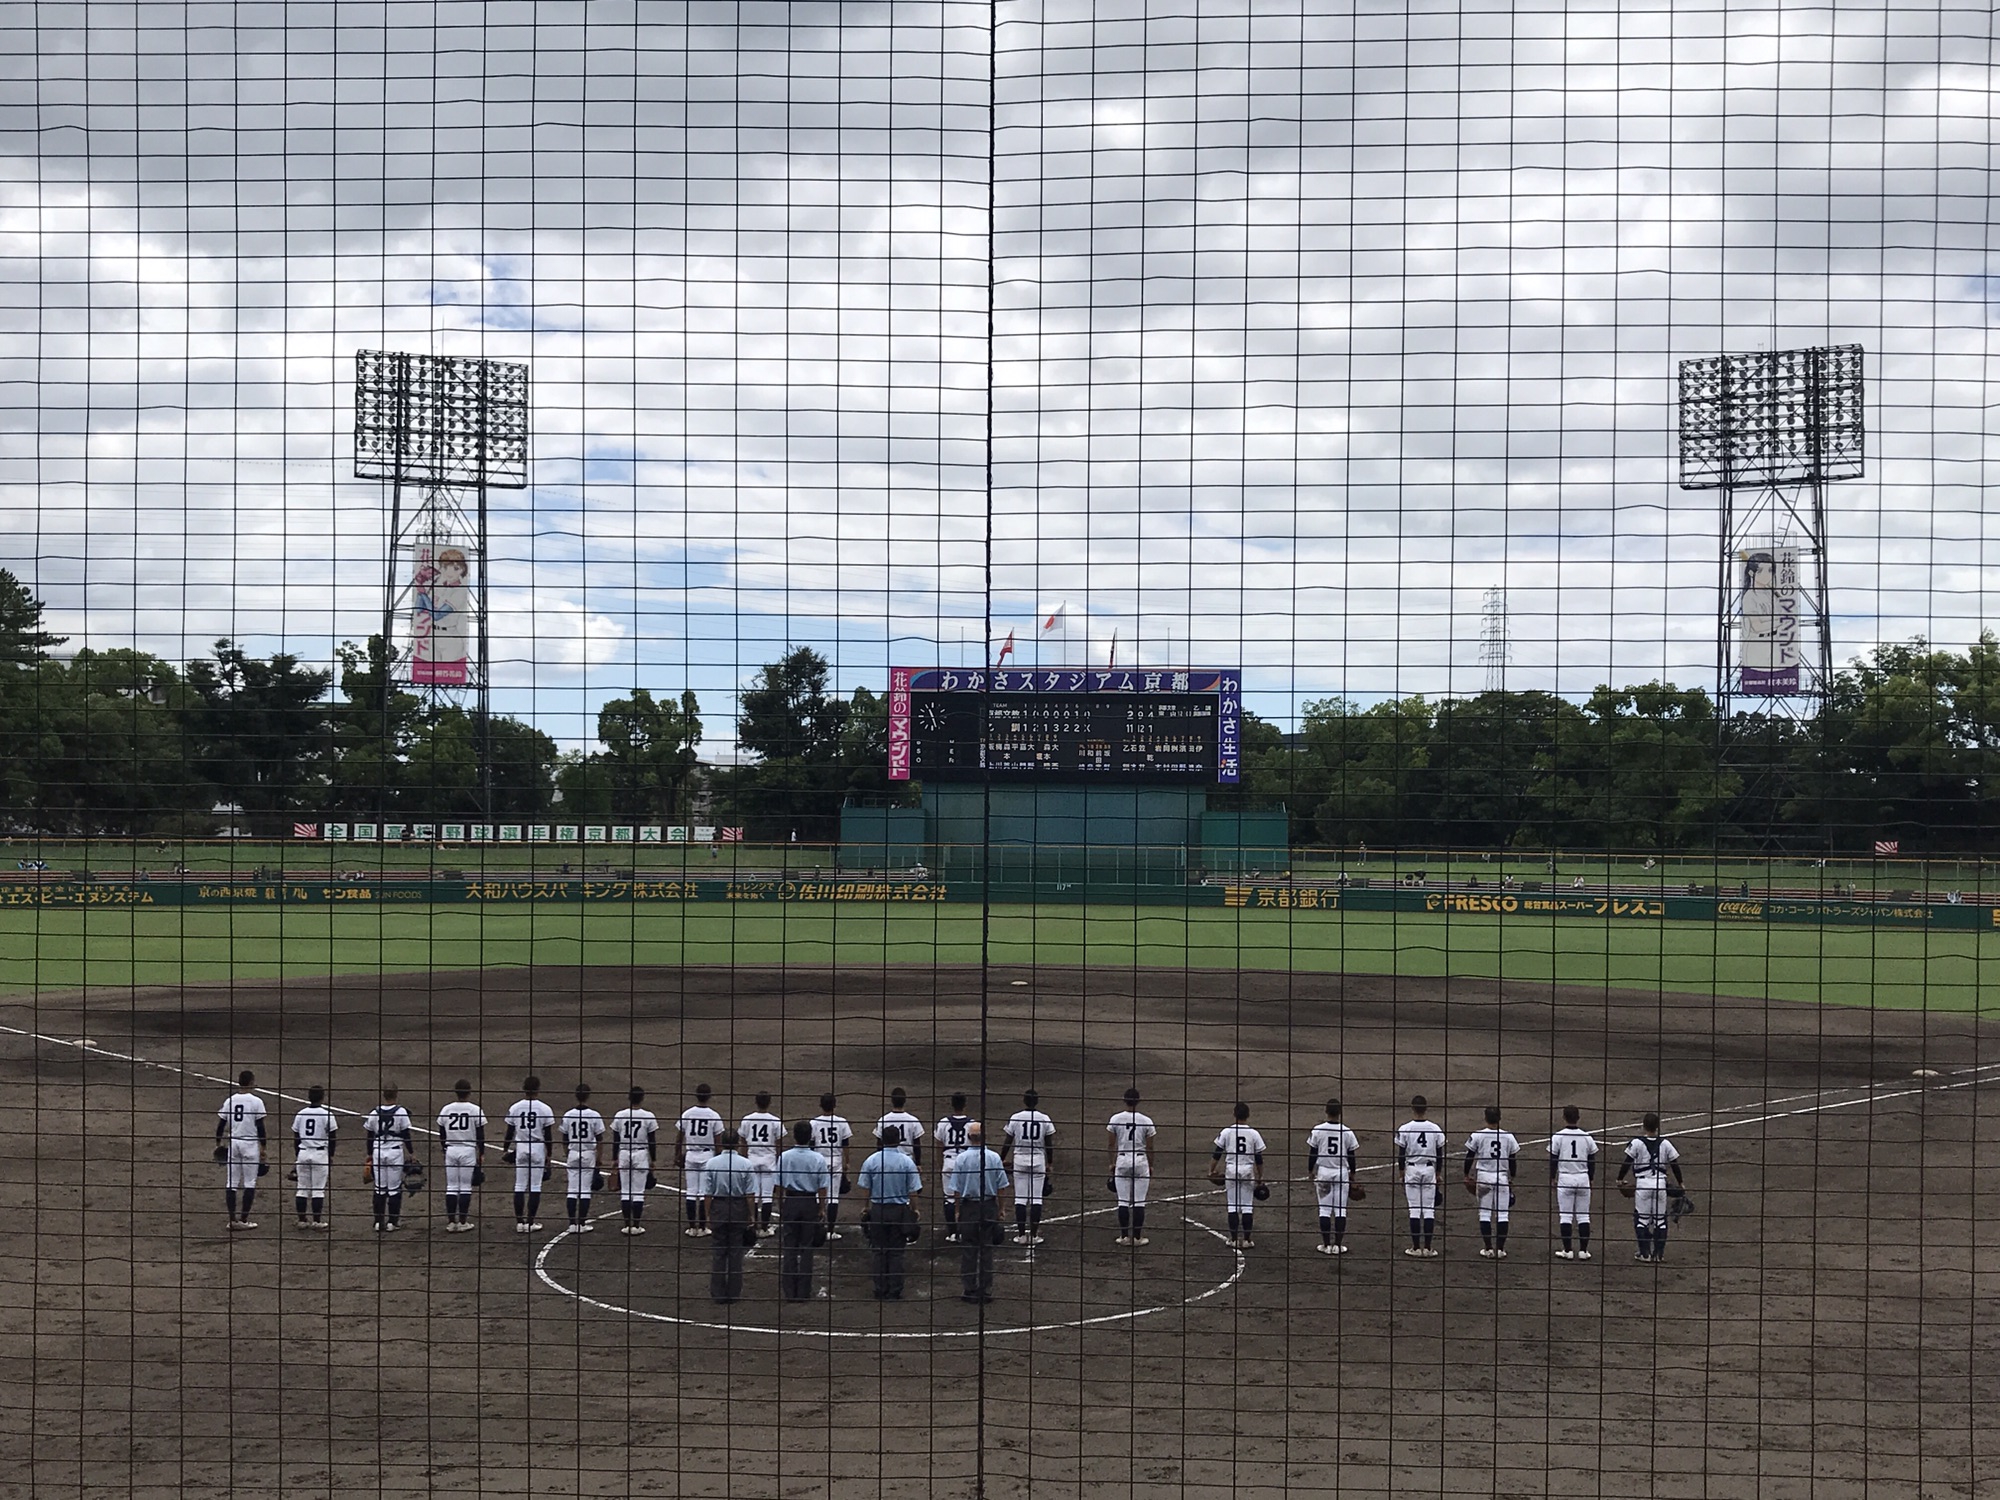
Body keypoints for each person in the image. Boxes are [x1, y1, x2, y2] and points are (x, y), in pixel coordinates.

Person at [855, 1125, 923, 1300]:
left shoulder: (871, 1160)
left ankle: (880, 1289)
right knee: (896, 1252)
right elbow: (913, 1191)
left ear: (882, 1140)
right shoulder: (907, 1162)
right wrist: (914, 1210)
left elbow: (865, 1188)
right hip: (899, 1211)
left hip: (878, 1210)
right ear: (899, 1140)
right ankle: (894, 1290)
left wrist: (865, 1207)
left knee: (878, 1251)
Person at [945, 1122, 1009, 1303]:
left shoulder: (961, 1159)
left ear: (968, 1138)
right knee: (986, 1249)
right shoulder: (994, 1157)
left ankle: (969, 1289)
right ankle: (986, 1290)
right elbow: (1001, 1186)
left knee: (968, 1250)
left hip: (969, 1207)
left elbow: (956, 1189)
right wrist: (1001, 1208)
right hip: (988, 1206)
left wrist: (957, 1210)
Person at [1618, 1112, 1686, 1263]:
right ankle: (1659, 1255)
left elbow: (1627, 1162)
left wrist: (1620, 1178)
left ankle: (1645, 1254)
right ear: (1657, 1127)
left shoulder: (1636, 1142)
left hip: (1643, 1185)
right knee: (1660, 1220)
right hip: (1660, 1185)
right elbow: (1674, 1164)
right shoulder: (1665, 1143)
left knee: (1641, 1220)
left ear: (1643, 1126)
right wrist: (1681, 1182)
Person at [776, 1121, 832, 1302]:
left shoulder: (785, 1156)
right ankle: (803, 1292)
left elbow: (778, 1184)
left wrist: (782, 1205)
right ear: (810, 1137)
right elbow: (823, 1187)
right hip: (809, 1202)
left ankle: (789, 1292)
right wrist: (822, 1208)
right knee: (807, 1248)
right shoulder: (818, 1158)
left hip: (791, 1201)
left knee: (790, 1247)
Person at [702, 1130, 757, 1303]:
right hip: (738, 1207)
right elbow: (750, 1194)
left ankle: (718, 1294)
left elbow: (708, 1194)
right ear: (738, 1144)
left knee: (719, 1253)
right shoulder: (746, 1164)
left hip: (718, 1206)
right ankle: (733, 1294)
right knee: (735, 1253)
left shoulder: (711, 1163)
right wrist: (751, 1215)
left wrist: (708, 1215)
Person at [1463, 1105, 1521, 1258]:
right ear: (1500, 1118)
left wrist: (1466, 1174)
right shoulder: (1508, 1137)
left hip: (1483, 1177)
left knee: (1485, 1214)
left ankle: (1488, 1249)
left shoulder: (1478, 1135)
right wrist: (1512, 1177)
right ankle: (1500, 1250)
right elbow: (1512, 1160)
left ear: (1485, 1118)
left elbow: (1469, 1156)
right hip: (1501, 1177)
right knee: (1502, 1215)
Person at [214, 1070, 267, 1230]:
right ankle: (243, 1220)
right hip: (250, 1144)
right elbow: (260, 1127)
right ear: (251, 1082)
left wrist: (218, 1143)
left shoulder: (230, 1100)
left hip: (234, 1144)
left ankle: (233, 1220)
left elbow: (221, 1124)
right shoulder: (256, 1101)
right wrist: (263, 1147)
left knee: (232, 1182)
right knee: (250, 1182)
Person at [1306, 1098, 1358, 1255]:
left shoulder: (1318, 1130)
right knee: (1340, 1210)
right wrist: (1353, 1173)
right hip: (1341, 1172)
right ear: (1340, 1113)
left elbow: (1312, 1153)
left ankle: (1326, 1245)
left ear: (1326, 1111)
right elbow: (1351, 1155)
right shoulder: (1347, 1131)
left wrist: (1310, 1171)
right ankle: (1338, 1246)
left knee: (1324, 1210)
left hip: (1323, 1172)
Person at [1394, 1095, 1445, 1257]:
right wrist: (1438, 1174)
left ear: (1412, 1108)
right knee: (1429, 1210)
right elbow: (1439, 1154)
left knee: (1414, 1210)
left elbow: (1401, 1154)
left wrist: (1401, 1173)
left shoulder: (1405, 1128)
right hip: (1429, 1170)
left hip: (1412, 1170)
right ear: (1426, 1108)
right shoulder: (1435, 1128)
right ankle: (1428, 1248)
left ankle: (1416, 1248)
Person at [504, 1077, 556, 1233]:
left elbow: (509, 1131)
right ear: (538, 1089)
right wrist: (549, 1154)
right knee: (535, 1186)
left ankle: (520, 1223)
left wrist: (505, 1149)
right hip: (537, 1148)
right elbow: (548, 1135)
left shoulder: (515, 1107)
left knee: (519, 1185)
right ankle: (530, 1222)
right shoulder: (544, 1108)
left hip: (521, 1147)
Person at [1003, 1089, 1056, 1244]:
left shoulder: (1016, 1117)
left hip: (1019, 1159)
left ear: (1024, 1101)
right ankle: (1033, 1235)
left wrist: (1001, 1158)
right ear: (1037, 1101)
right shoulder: (1044, 1118)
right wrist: (1050, 1163)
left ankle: (1020, 1235)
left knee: (1020, 1199)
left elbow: (1008, 1141)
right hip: (1038, 1160)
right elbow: (1049, 1144)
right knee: (1036, 1199)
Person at [1105, 1088, 1156, 1246]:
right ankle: (1138, 1238)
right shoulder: (1146, 1120)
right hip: (1141, 1161)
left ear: (1124, 1100)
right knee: (1139, 1201)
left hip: (1122, 1160)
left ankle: (1124, 1237)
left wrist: (1112, 1163)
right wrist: (1151, 1165)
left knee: (1123, 1201)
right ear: (1138, 1101)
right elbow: (1150, 1148)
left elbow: (1111, 1144)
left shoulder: (1115, 1119)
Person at [1211, 1102, 1266, 1247]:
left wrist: (1211, 1170)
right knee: (1247, 1206)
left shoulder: (1227, 1132)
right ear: (1247, 1116)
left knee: (1233, 1206)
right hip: (1247, 1170)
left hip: (1231, 1169)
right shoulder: (1253, 1133)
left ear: (1234, 1115)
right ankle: (1247, 1240)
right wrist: (1260, 1176)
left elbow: (1217, 1153)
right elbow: (1258, 1158)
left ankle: (1234, 1239)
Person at [1548, 1105, 1600, 1260]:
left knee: (1565, 1216)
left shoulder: (1557, 1137)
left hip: (1565, 1178)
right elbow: (1592, 1161)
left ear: (1564, 1117)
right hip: (1583, 1178)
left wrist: (1552, 1177)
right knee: (1584, 1216)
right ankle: (1583, 1251)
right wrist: (1590, 1178)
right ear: (1578, 1117)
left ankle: (1568, 1250)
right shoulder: (1587, 1137)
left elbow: (1553, 1160)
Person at [436, 1080, 487, 1232]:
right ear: (469, 1092)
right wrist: (482, 1152)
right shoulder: (475, 1109)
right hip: (468, 1150)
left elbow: (442, 1131)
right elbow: (480, 1134)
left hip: (451, 1149)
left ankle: (452, 1223)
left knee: (451, 1186)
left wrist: (444, 1148)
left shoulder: (446, 1109)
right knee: (465, 1187)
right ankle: (463, 1222)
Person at [364, 1086, 415, 1232]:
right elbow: (406, 1134)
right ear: (396, 1095)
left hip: (378, 1153)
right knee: (394, 1189)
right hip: (394, 1154)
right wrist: (411, 1152)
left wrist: (369, 1154)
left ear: (383, 1095)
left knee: (380, 1189)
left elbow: (369, 1136)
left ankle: (378, 1222)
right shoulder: (401, 1112)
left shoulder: (374, 1113)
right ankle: (393, 1222)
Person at [675, 1083, 723, 1236]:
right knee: (704, 1192)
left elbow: (679, 1137)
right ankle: (702, 1227)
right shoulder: (714, 1115)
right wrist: (719, 1158)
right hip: (707, 1156)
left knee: (691, 1191)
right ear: (709, 1096)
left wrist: (677, 1154)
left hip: (690, 1154)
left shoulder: (687, 1114)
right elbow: (718, 1141)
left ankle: (691, 1227)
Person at [612, 1087, 660, 1234]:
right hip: (641, 1154)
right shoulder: (648, 1116)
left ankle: (627, 1225)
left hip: (624, 1153)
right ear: (642, 1098)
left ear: (629, 1097)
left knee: (625, 1191)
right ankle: (636, 1226)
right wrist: (653, 1160)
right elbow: (652, 1141)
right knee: (638, 1191)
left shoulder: (620, 1115)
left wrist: (614, 1158)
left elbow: (615, 1140)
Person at [560, 1084, 609, 1232]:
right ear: (588, 1096)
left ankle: (571, 1224)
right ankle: (581, 1224)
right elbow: (600, 1139)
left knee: (572, 1190)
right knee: (585, 1190)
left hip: (573, 1153)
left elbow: (564, 1138)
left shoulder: (568, 1115)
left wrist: (567, 1153)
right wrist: (599, 1158)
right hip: (588, 1153)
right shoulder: (594, 1115)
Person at [290, 1084, 336, 1230]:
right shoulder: (327, 1114)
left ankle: (302, 1220)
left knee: (302, 1188)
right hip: (320, 1153)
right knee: (318, 1189)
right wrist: (331, 1156)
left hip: (303, 1152)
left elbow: (296, 1137)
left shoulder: (301, 1114)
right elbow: (333, 1138)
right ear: (322, 1097)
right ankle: (316, 1221)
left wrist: (298, 1155)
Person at [809, 1095, 855, 1239]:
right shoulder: (841, 1122)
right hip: (835, 1163)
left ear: (821, 1105)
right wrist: (846, 1162)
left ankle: (816, 1227)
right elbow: (845, 1145)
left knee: (818, 1195)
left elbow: (811, 1145)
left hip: (818, 1162)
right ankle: (830, 1231)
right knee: (833, 1197)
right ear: (834, 1106)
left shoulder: (814, 1123)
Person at [738, 1091, 785, 1232]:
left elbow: (743, 1142)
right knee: (767, 1197)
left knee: (753, 1195)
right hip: (769, 1162)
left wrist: (745, 1160)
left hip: (752, 1160)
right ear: (769, 1102)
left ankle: (752, 1224)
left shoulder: (747, 1119)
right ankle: (764, 1229)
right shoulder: (775, 1121)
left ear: (756, 1102)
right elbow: (779, 1145)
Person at [934, 1092, 974, 1241]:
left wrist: (941, 1165)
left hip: (949, 1162)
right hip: (966, 1162)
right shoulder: (972, 1124)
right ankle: (964, 1231)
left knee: (949, 1198)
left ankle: (952, 1233)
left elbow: (939, 1146)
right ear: (965, 1104)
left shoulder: (943, 1122)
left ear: (952, 1104)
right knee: (965, 1198)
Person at [875, 1087, 924, 1166]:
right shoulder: (913, 1120)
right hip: (907, 1160)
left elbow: (879, 1145)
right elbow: (917, 1145)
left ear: (892, 1101)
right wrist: (918, 1164)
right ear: (904, 1101)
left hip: (888, 1160)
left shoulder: (883, 1120)